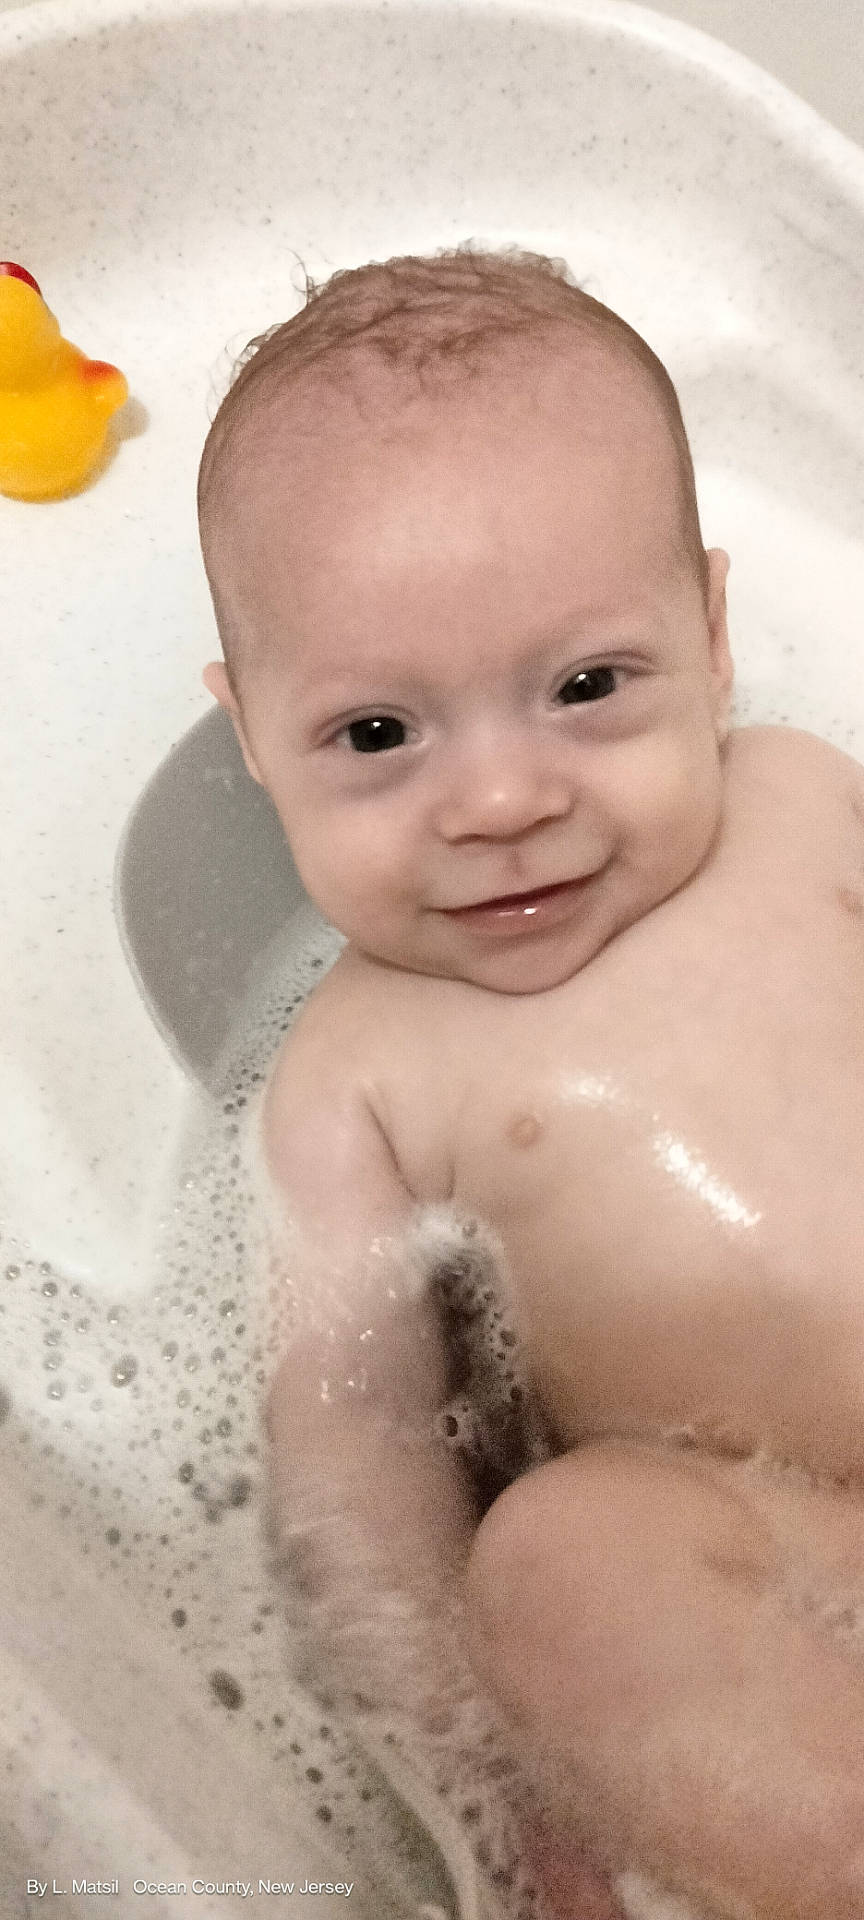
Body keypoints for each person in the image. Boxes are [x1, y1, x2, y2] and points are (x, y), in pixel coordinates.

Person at [197, 244, 864, 1919]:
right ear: (251, 734)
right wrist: (487, 1779)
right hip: (753, 1543)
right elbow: (356, 1458)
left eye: (585, 688)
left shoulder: (801, 796)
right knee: (556, 1565)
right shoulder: (347, 1083)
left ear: (710, 635)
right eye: (376, 736)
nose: (500, 800)